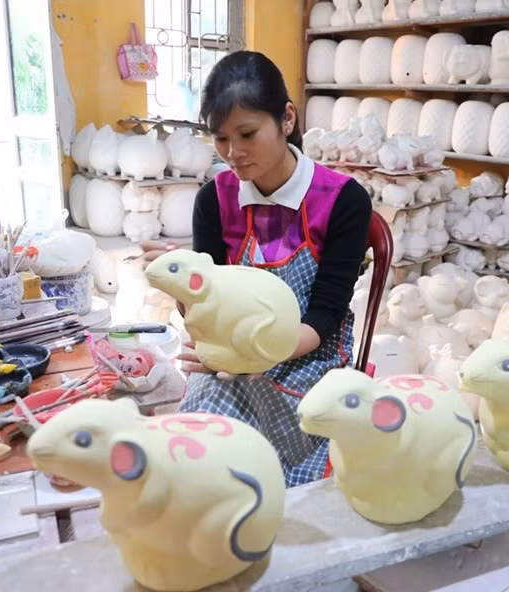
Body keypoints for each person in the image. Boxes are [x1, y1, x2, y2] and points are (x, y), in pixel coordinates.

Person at [140, 50, 372, 488]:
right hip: (234, 353)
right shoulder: (215, 199)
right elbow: (206, 312)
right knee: (201, 442)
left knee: (254, 459)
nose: (233, 153)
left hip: (309, 354)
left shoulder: (342, 200)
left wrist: (257, 355)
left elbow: (324, 315)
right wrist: (183, 283)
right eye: (220, 138)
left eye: (247, 133)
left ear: (286, 118)